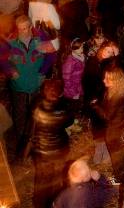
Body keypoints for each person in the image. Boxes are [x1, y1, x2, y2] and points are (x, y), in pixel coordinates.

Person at [0, 15, 59, 154]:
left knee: (36, 114)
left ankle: (36, 142)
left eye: (26, 28)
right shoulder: (10, 40)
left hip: (36, 83)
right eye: (20, 29)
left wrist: (43, 72)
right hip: (18, 86)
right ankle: (22, 145)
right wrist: (10, 71)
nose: (23, 32)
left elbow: (51, 55)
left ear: (31, 26)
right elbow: (2, 58)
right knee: (19, 115)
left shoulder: (41, 38)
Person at [89, 61, 124, 196]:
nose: (104, 80)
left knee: (115, 152)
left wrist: (96, 105)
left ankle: (120, 177)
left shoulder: (117, 96)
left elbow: (107, 115)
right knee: (118, 148)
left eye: (108, 79)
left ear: (116, 81)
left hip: (113, 127)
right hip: (119, 124)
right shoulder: (122, 88)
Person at [29, 78, 73, 208]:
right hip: (59, 150)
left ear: (44, 91)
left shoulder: (35, 104)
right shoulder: (63, 107)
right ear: (59, 93)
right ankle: (53, 204)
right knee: (56, 180)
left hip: (41, 152)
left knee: (41, 182)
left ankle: (39, 205)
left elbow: (31, 128)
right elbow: (69, 122)